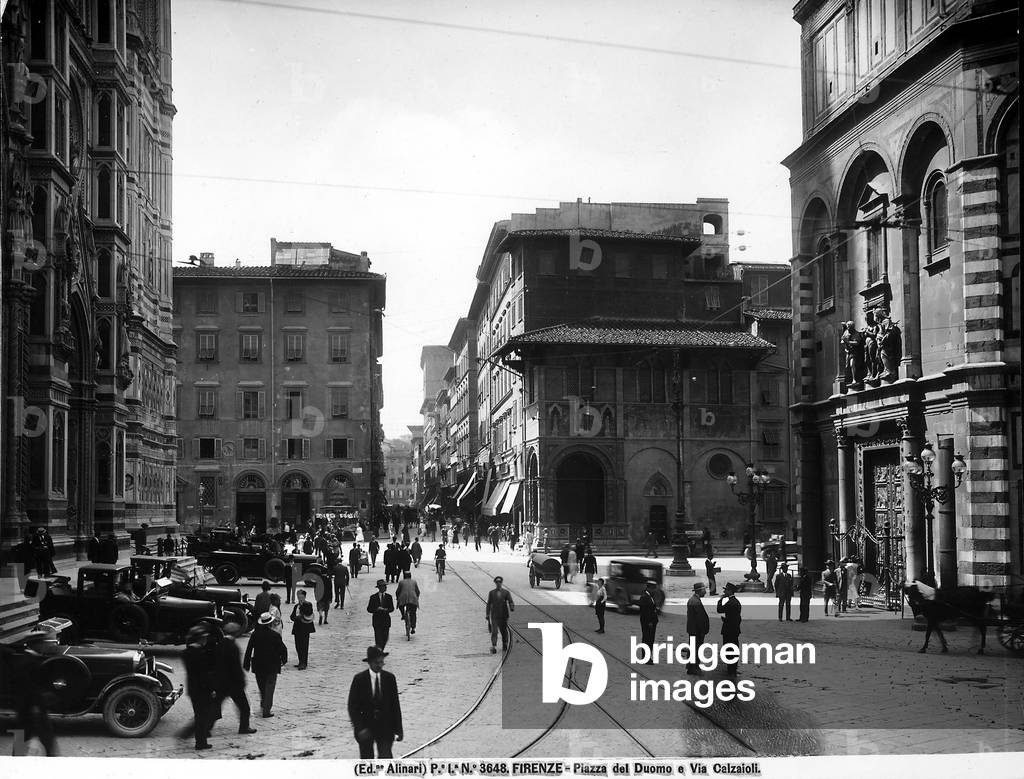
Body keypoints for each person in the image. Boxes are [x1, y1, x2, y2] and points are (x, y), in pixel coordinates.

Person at [347, 646, 403, 759]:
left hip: (386, 727)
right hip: (366, 728)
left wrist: (399, 729)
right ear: (370, 663)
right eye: (377, 662)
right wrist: (360, 728)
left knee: (386, 758)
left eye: (382, 662)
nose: (380, 665)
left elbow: (395, 705)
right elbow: (353, 707)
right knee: (367, 760)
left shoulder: (389, 678)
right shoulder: (359, 679)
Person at [211, 627, 257, 736]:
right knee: (244, 707)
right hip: (234, 684)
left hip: (221, 683)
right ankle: (244, 727)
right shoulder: (232, 646)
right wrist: (241, 681)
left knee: (215, 707)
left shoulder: (220, 645)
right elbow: (236, 667)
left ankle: (205, 728)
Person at [243, 613, 288, 718]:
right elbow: (282, 648)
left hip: (258, 665)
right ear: (270, 623)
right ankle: (266, 710)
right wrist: (284, 660)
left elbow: (249, 649)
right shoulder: (275, 635)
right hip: (272, 665)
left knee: (262, 687)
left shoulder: (255, 634)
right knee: (270, 687)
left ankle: (264, 704)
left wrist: (246, 664)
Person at [182, 622, 217, 750]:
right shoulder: (199, 653)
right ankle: (201, 742)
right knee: (202, 716)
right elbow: (204, 675)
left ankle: (200, 740)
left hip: (193, 688)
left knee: (199, 715)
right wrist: (211, 689)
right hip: (202, 689)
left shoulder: (187, 652)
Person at [717, 583, 742, 677]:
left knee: (729, 650)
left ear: (730, 591)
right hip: (735, 630)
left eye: (726, 590)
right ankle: (733, 669)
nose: (724, 591)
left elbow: (719, 610)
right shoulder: (736, 601)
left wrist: (720, 600)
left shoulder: (730, 602)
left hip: (729, 630)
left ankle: (731, 670)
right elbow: (737, 618)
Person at [485, 576, 515, 653]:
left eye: (500, 582)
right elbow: (489, 604)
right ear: (495, 583)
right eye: (497, 582)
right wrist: (487, 614)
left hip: (503, 615)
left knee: (503, 631)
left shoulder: (506, 592)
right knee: (494, 631)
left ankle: (505, 643)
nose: (498, 584)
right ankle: (494, 645)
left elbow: (510, 601)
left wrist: (511, 607)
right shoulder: (491, 593)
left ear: (501, 583)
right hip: (494, 615)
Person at [685, 582, 710, 675]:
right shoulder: (696, 602)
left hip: (693, 629)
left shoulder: (693, 600)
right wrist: (702, 630)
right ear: (700, 591)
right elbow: (700, 618)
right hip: (696, 630)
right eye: (704, 590)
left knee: (693, 648)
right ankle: (694, 667)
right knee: (696, 649)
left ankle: (691, 667)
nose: (705, 592)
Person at [289, 589, 315, 669]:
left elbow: (309, 612)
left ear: (304, 597)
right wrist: (296, 618)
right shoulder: (296, 606)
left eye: (301, 596)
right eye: (298, 596)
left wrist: (302, 605)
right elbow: (292, 616)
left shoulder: (308, 604)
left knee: (304, 645)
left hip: (305, 628)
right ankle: (300, 661)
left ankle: (304, 663)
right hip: (297, 628)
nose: (299, 598)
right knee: (298, 645)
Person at [367, 579, 395, 650]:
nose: (384, 588)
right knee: (378, 638)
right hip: (377, 621)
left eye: (385, 586)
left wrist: (386, 610)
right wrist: (376, 609)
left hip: (386, 621)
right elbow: (369, 609)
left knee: (385, 638)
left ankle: (381, 649)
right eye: (382, 586)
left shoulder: (389, 597)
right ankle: (380, 652)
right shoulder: (373, 597)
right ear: (379, 588)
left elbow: (392, 608)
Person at [638, 580, 660, 664]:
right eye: (653, 588)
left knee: (649, 640)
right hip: (648, 623)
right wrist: (649, 622)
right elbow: (644, 612)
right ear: (649, 588)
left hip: (651, 622)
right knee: (648, 639)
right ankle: (646, 658)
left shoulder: (649, 596)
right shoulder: (645, 597)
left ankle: (647, 657)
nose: (654, 590)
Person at [396, 571, 420, 639]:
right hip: (413, 598)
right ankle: (413, 627)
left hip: (403, 598)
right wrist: (417, 597)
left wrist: (397, 598)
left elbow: (398, 591)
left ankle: (403, 615)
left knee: (401, 606)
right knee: (413, 613)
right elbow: (418, 591)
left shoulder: (401, 582)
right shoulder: (414, 582)